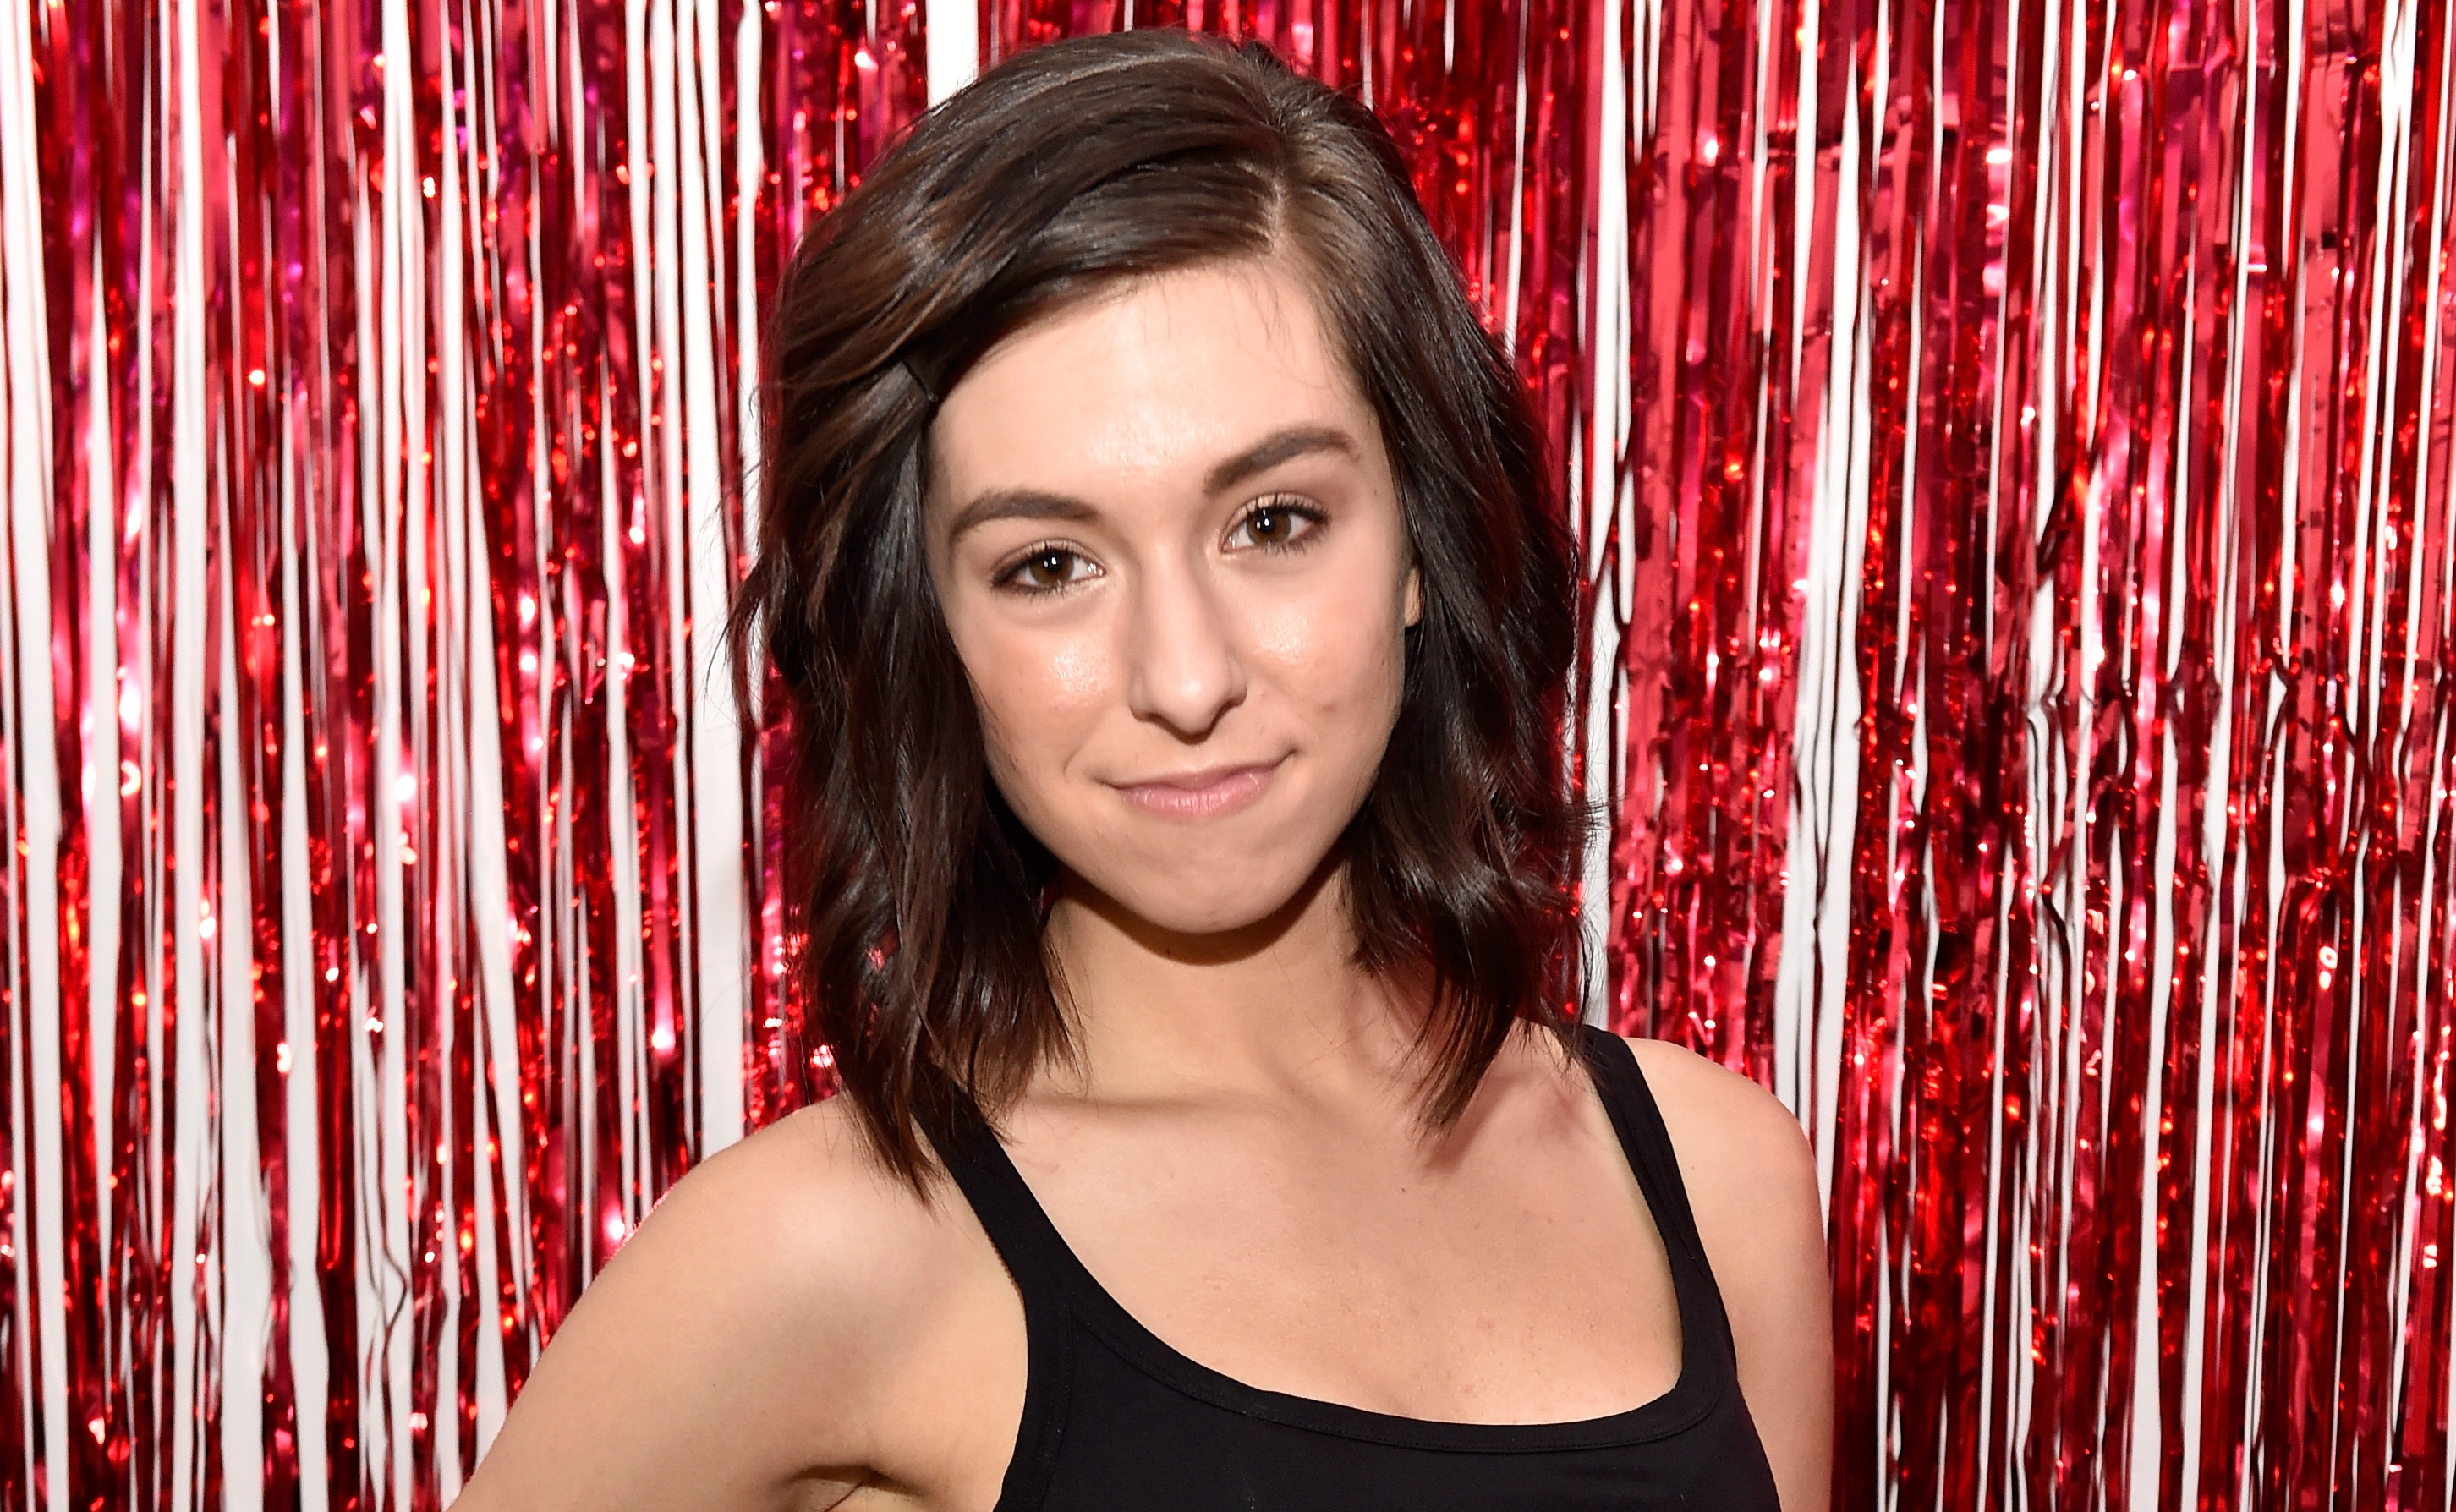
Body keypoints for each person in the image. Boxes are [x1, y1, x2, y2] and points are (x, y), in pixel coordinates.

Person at [451, 28, 1831, 1512]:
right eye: (1049, 565)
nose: (1185, 679)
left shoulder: (1720, 1187)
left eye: (1274, 523)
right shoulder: (828, 1256)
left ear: (1420, 541)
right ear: (934, 631)